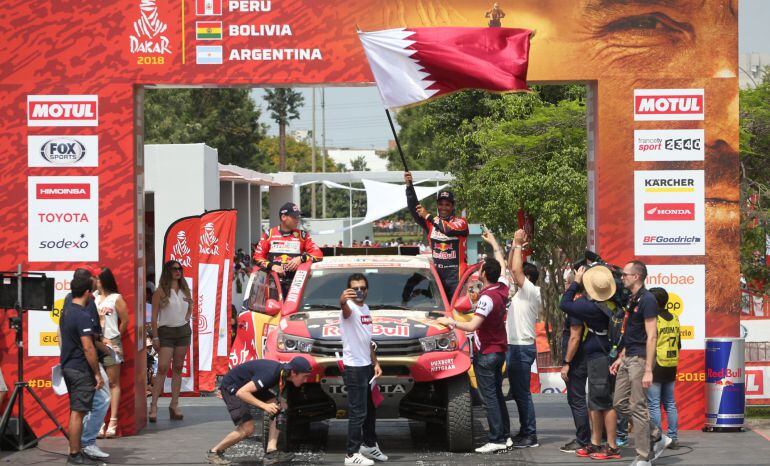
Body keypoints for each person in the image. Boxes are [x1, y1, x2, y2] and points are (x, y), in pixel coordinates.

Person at [438, 258, 511, 453]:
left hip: (487, 353)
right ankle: (504, 436)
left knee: (489, 399)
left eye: (480, 269)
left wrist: (450, 322)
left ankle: (496, 439)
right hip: (499, 351)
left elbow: (472, 326)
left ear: (485, 274)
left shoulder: (486, 298)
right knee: (497, 396)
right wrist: (495, 243)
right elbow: (503, 266)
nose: (479, 272)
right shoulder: (502, 288)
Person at [611, 261, 672, 466]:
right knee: (619, 402)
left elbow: (652, 336)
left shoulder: (648, 300)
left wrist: (648, 369)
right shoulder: (631, 299)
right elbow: (631, 332)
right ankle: (656, 434)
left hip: (640, 360)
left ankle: (644, 457)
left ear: (636, 276)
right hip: (628, 357)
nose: (622, 278)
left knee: (637, 406)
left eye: (625, 275)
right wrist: (620, 357)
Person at [560, 265, 620, 460]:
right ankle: (595, 443)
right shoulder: (611, 302)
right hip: (604, 354)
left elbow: (565, 303)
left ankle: (611, 447)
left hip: (599, 357)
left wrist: (576, 282)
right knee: (596, 402)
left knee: (604, 403)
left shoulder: (588, 306)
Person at [206, 357, 310, 465]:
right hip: (234, 386)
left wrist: (272, 405)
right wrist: (264, 406)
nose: (306, 380)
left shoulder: (284, 374)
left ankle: (271, 452)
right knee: (248, 429)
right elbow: (241, 393)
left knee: (281, 407)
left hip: (247, 384)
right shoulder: (271, 374)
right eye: (304, 376)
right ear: (293, 373)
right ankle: (213, 452)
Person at [61, 268, 112, 461]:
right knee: (78, 412)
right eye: (93, 291)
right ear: (87, 293)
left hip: (70, 366)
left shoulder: (67, 310)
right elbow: (89, 348)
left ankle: (79, 449)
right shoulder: (81, 315)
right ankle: (75, 453)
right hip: (80, 369)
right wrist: (97, 374)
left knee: (82, 409)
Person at [339, 274, 388, 466]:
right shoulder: (349, 307)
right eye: (355, 288)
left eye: (363, 288)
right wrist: (342, 301)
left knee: (370, 409)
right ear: (349, 291)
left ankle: (368, 445)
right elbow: (343, 309)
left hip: (366, 366)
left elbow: (367, 340)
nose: (359, 291)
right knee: (357, 412)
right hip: (354, 367)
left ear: (367, 289)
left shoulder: (365, 308)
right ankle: (351, 455)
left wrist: (375, 363)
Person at [404, 171, 469, 299]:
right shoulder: (430, 224)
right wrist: (409, 186)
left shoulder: (461, 223)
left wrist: (428, 216)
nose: (443, 207)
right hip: (438, 278)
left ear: (452, 206)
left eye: (447, 205)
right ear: (437, 205)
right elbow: (414, 209)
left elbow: (448, 230)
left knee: (456, 313)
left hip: (457, 278)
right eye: (441, 204)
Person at [504, 229, 540, 448]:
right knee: (518, 393)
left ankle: (530, 435)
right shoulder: (522, 292)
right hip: (515, 347)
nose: (515, 277)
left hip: (521, 348)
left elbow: (516, 270)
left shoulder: (531, 291)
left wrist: (517, 244)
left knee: (523, 394)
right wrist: (513, 247)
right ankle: (525, 430)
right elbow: (512, 267)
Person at [149, 260, 193, 423]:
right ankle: (153, 406)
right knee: (162, 368)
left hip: (182, 331)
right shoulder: (160, 291)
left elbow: (188, 313)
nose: (178, 271)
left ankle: (174, 405)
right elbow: (154, 317)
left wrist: (190, 311)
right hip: (165, 331)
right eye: (174, 269)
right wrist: (155, 336)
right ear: (168, 271)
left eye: (180, 269)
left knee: (178, 367)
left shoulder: (185, 290)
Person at [253, 202, 323, 297]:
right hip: (273, 285)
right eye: (294, 217)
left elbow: (318, 254)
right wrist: (272, 266)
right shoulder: (269, 234)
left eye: (298, 217)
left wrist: (301, 259)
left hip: (296, 285)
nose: (297, 220)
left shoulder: (302, 235)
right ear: (283, 217)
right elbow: (257, 258)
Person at [93, 268, 128, 439]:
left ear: (105, 280)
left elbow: (125, 320)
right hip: (94, 341)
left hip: (111, 341)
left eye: (98, 279)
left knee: (113, 382)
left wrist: (116, 337)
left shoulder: (116, 298)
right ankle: (99, 423)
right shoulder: (92, 297)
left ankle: (113, 421)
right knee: (97, 382)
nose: (96, 282)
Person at [558, 269, 590, 454]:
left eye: (566, 283)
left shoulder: (577, 306)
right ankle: (587, 437)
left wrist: (567, 362)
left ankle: (582, 440)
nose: (564, 287)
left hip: (577, 360)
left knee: (576, 400)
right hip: (583, 358)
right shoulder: (583, 303)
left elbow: (575, 337)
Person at [647, 287, 681, 450]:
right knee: (670, 403)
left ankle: (658, 437)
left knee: (654, 404)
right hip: (671, 364)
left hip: (656, 364)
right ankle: (673, 437)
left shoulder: (654, 319)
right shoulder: (675, 317)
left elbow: (650, 343)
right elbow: (679, 344)